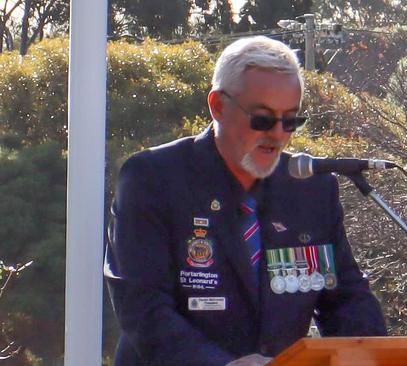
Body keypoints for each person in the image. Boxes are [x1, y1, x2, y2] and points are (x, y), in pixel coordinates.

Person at [104, 36, 387, 366]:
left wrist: (371, 354)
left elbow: (346, 300)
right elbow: (143, 308)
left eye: (291, 120)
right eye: (262, 119)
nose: (278, 134)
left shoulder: (311, 188)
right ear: (218, 106)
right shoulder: (153, 178)